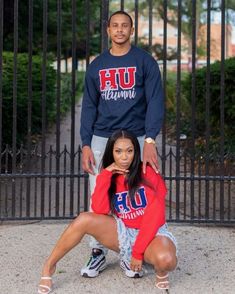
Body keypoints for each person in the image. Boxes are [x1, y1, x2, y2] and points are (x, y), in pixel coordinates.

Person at [38, 130, 177, 293]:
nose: (124, 157)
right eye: (118, 151)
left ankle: (159, 272)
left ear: (135, 152)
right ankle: (49, 266)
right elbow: (99, 209)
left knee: (166, 260)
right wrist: (105, 175)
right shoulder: (110, 175)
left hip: (152, 234)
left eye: (129, 151)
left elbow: (154, 217)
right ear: (111, 152)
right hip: (123, 232)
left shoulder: (148, 172)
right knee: (84, 219)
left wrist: (138, 252)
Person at [80, 10, 164, 278]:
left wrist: (150, 139)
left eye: (124, 26)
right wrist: (85, 143)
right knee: (100, 194)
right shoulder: (97, 65)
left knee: (137, 194)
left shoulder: (145, 62)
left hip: (137, 138)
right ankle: (98, 252)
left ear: (132, 29)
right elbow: (89, 106)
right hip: (102, 137)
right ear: (107, 30)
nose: (119, 30)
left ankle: (136, 248)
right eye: (114, 26)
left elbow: (155, 102)